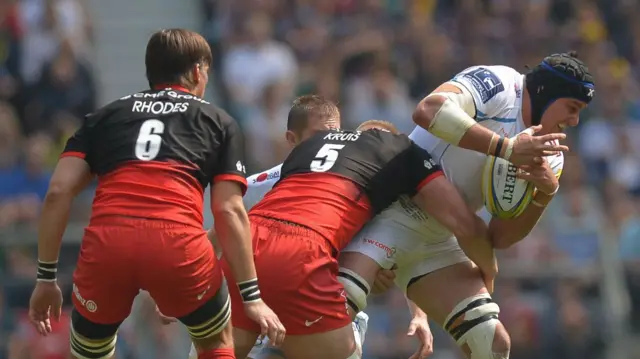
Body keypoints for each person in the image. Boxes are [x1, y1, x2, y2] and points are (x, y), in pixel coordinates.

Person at [27, 28, 284, 359]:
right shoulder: (218, 121)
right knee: (215, 343)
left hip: (108, 250)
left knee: (90, 352)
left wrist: (46, 278)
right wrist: (252, 296)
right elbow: (229, 210)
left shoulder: (104, 117)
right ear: (197, 71)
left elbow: (58, 193)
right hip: (178, 250)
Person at [340, 51, 595, 359]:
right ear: (545, 91)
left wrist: (545, 193)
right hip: (395, 211)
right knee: (338, 312)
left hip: (441, 238)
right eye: (572, 107)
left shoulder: (551, 154)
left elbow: (499, 237)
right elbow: (427, 109)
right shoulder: (500, 84)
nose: (575, 120)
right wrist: (506, 149)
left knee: (492, 344)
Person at [222, 120, 495, 359]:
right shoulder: (395, 160)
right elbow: (459, 224)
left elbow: (230, 212)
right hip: (301, 261)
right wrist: (489, 268)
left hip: (248, 250)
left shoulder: (315, 158)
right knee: (343, 344)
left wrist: (419, 314)